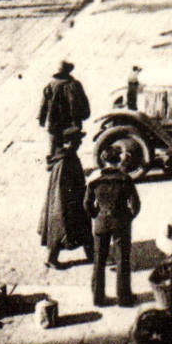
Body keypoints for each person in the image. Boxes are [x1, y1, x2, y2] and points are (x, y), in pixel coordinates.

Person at [85, 144, 142, 306]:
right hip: (121, 223)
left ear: (103, 160)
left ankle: (98, 298)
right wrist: (128, 218)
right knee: (122, 260)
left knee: (99, 261)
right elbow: (136, 204)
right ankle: (124, 298)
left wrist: (96, 215)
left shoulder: (94, 180)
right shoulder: (125, 179)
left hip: (101, 223)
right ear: (118, 160)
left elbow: (87, 203)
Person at [41, 128, 94, 269]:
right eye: (78, 140)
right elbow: (62, 188)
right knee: (62, 231)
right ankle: (51, 259)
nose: (80, 142)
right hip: (68, 202)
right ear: (69, 142)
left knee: (79, 229)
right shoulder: (65, 160)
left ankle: (91, 254)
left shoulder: (66, 157)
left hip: (73, 199)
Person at [37, 61, 90, 158]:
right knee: (71, 149)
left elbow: (44, 104)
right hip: (70, 123)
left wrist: (42, 119)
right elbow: (80, 102)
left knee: (54, 148)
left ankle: (53, 165)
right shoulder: (74, 84)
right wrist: (82, 116)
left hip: (53, 123)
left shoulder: (50, 85)